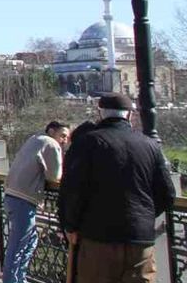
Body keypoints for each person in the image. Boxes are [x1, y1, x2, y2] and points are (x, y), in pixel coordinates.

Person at [59, 93, 175, 283]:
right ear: (129, 114)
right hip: (140, 240)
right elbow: (167, 194)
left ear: (100, 113)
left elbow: (73, 191)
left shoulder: (87, 143)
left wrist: (70, 225)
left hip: (98, 237)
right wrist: (142, 216)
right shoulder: (150, 145)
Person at [2, 121, 71, 283]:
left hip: (12, 195)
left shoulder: (34, 139)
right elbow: (55, 176)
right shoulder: (51, 143)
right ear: (52, 131)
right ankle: (11, 280)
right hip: (24, 199)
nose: (64, 140)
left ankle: (19, 279)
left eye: (67, 138)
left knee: (30, 241)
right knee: (18, 246)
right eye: (62, 135)